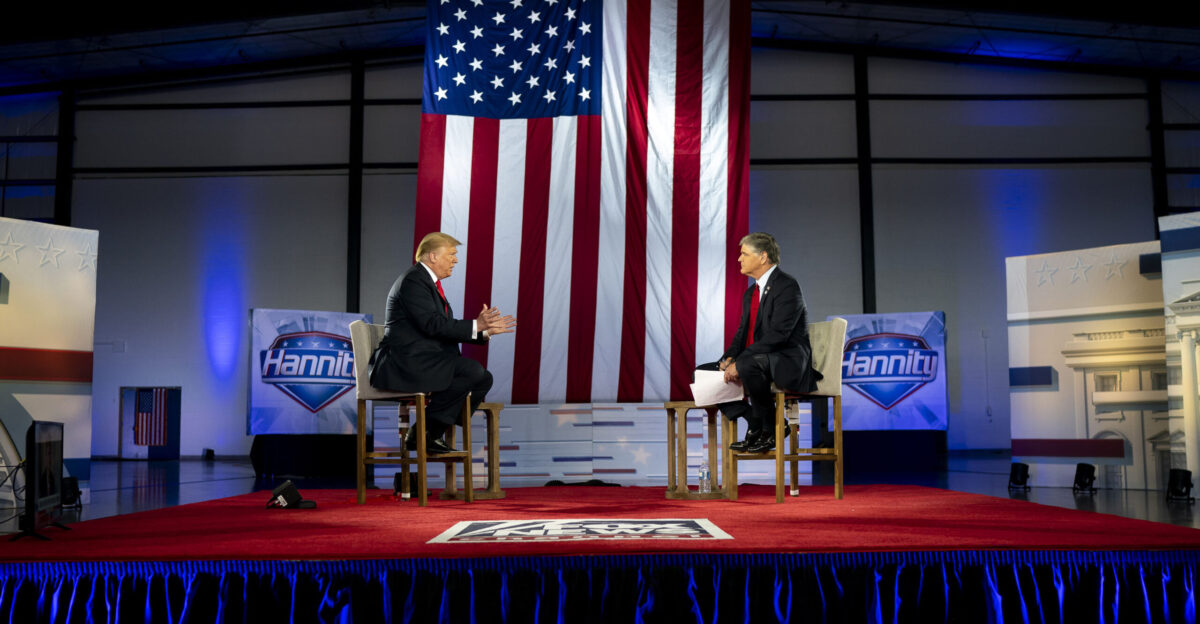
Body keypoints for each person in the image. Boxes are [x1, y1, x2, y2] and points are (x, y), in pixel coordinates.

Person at [368, 232, 516, 454]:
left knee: (484, 378)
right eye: (452, 254)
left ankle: (434, 428)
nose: (455, 260)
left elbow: (442, 328)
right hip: (405, 362)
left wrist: (482, 332)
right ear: (433, 256)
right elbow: (432, 325)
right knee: (471, 371)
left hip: (423, 358)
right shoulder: (413, 281)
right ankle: (424, 433)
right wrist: (476, 324)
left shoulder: (427, 282)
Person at [698, 232, 821, 454]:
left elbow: (779, 335)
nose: (739, 259)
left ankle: (769, 428)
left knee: (747, 365)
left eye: (744, 254)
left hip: (787, 360)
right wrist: (728, 359)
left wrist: (741, 361)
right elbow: (741, 334)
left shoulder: (787, 286)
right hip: (756, 360)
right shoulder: (750, 293)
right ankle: (755, 420)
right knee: (703, 373)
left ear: (763, 257)